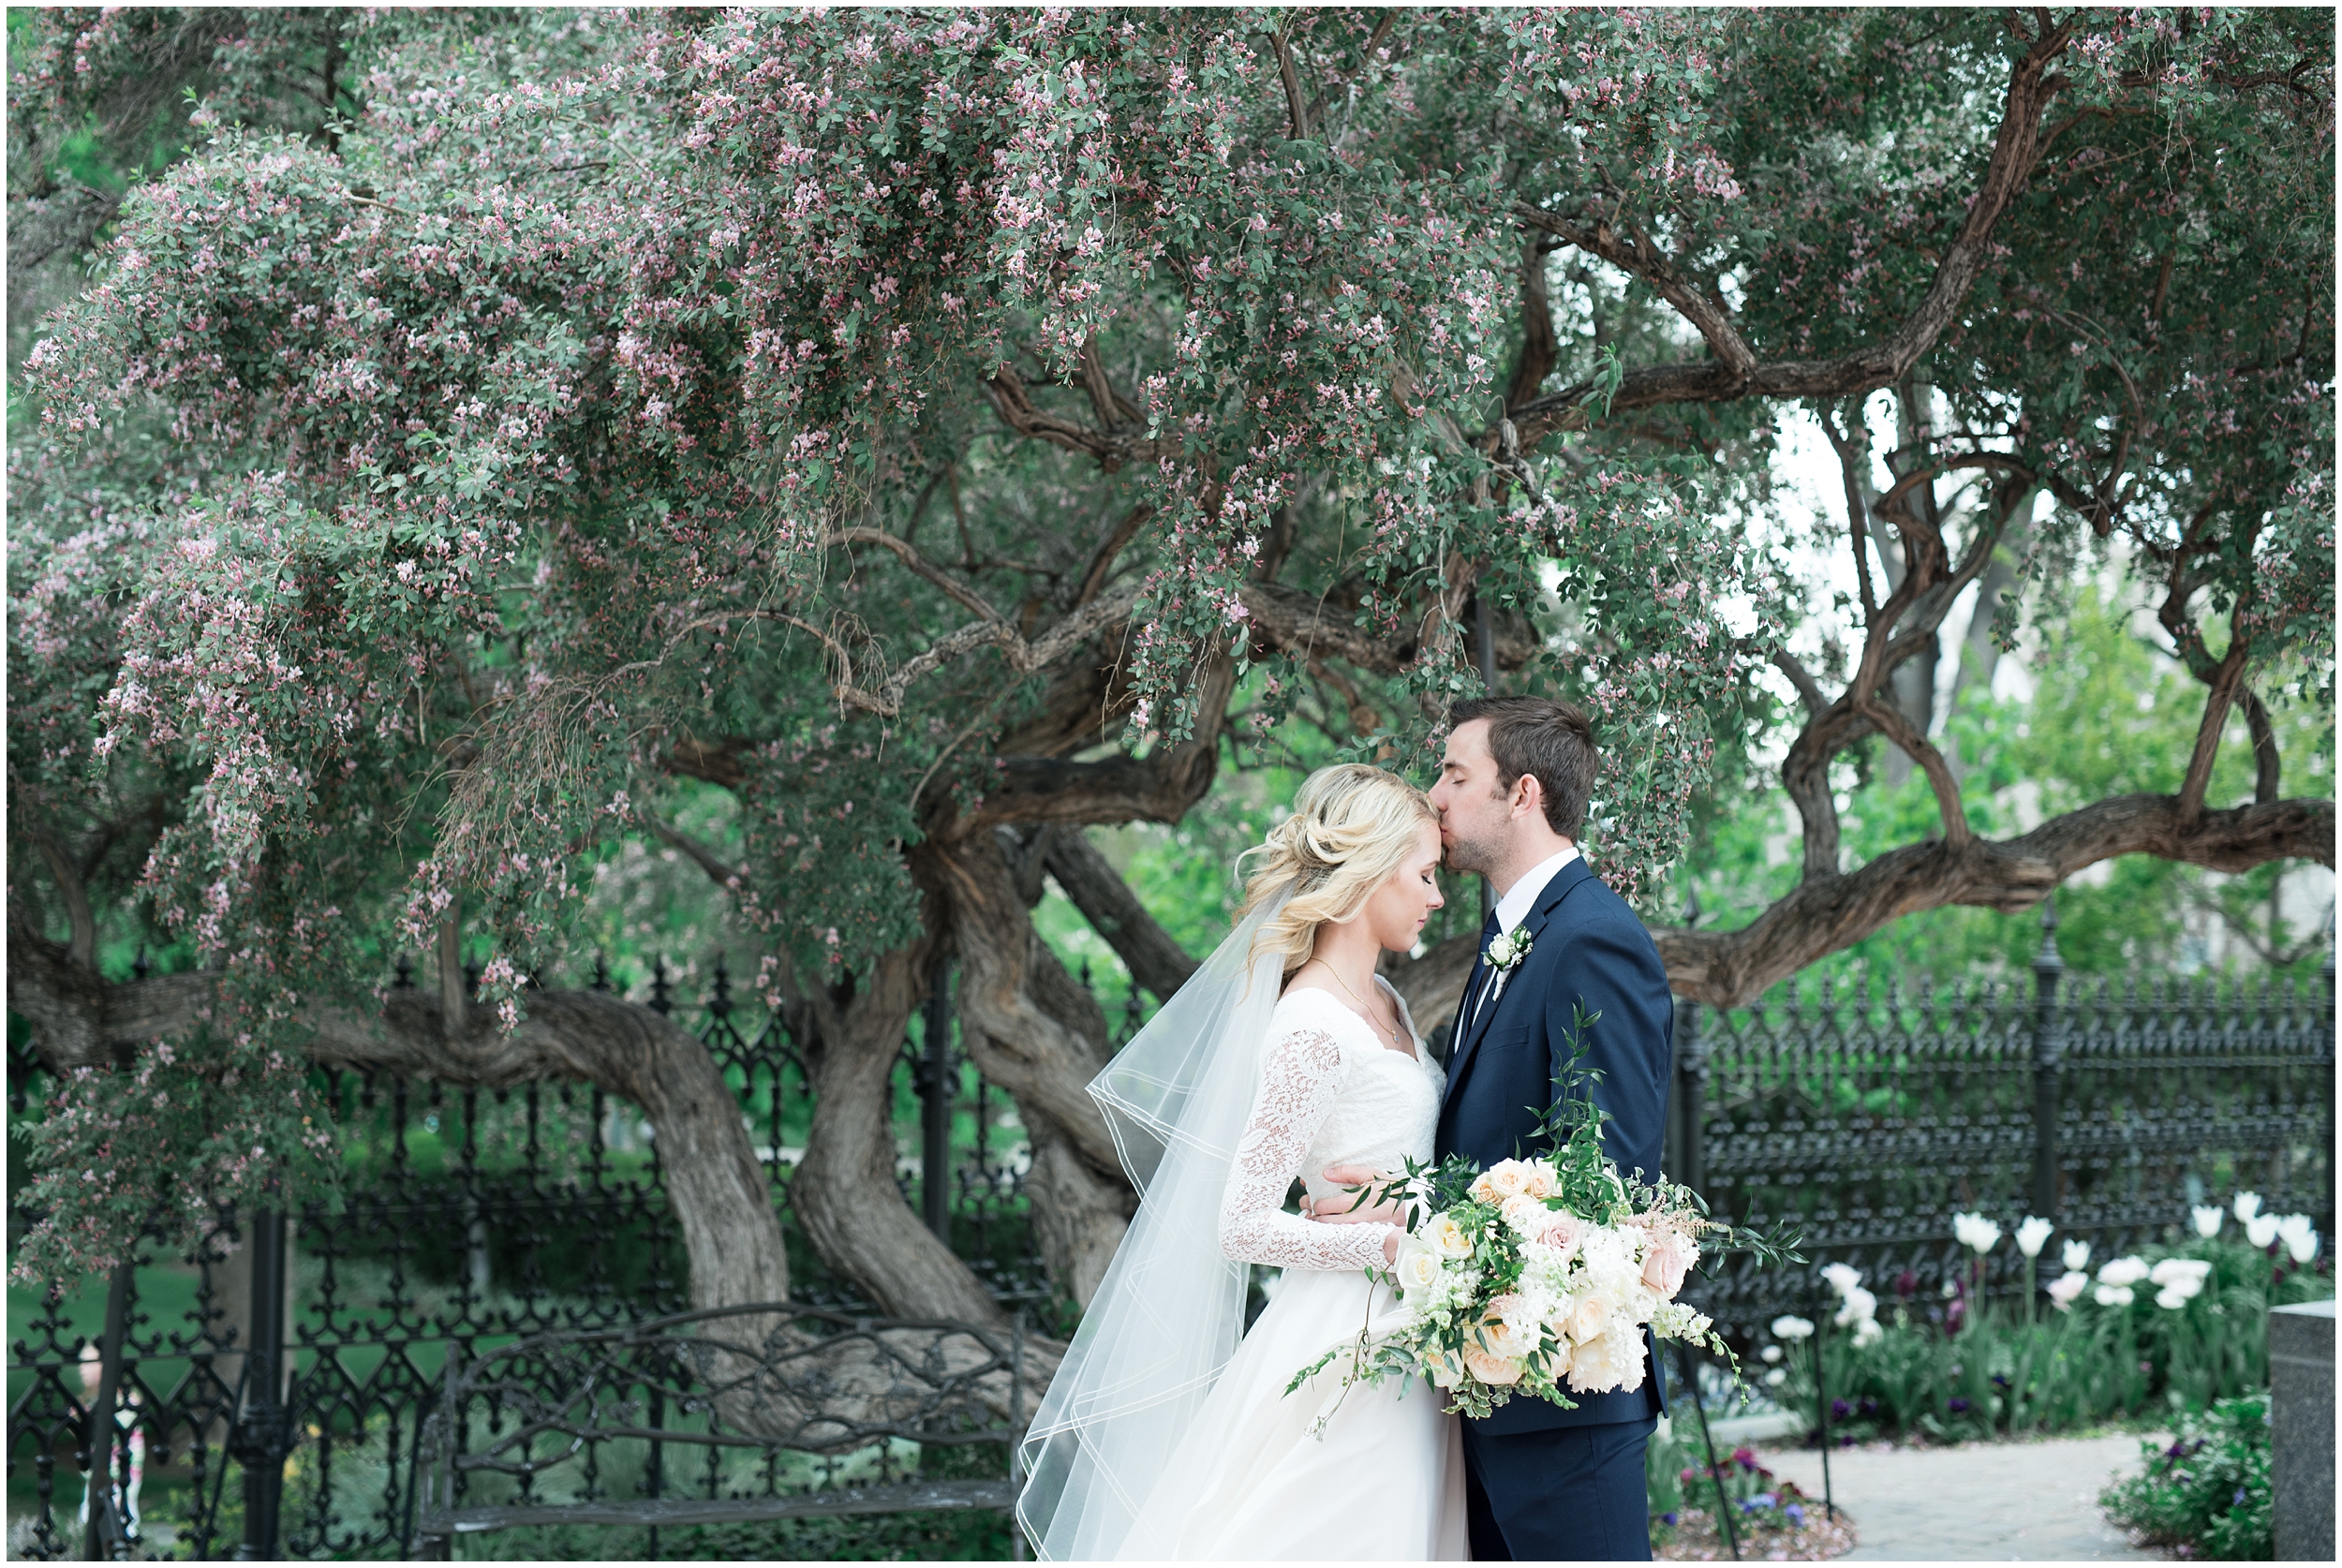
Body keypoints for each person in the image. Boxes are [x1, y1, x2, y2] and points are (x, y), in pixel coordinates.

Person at [1017, 763, 1468, 1561]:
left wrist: (1428, 1220)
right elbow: (1242, 1223)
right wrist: (1390, 1245)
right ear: (1368, 875)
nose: (1438, 897)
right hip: (1347, 1337)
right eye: (1425, 875)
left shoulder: (1388, 1004)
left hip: (1414, 1324)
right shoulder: (1310, 1026)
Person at [1318, 695, 1674, 1560]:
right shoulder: (1508, 938)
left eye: (1454, 774)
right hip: (1488, 1390)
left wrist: (1410, 1217)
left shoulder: (1592, 940)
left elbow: (1604, 1181)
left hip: (1562, 1399)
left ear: (1522, 793)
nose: (1434, 794)